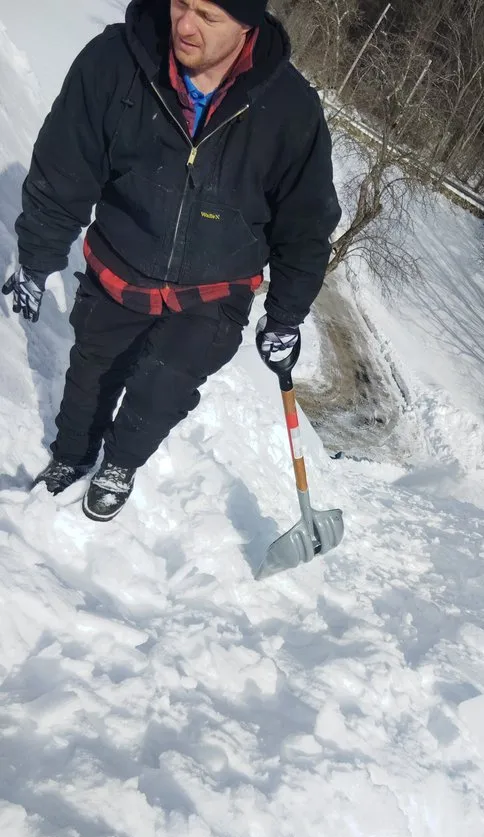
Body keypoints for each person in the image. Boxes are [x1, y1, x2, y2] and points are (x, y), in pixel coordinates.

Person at [3, 0, 341, 521]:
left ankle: (120, 463)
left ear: (248, 23)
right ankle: (72, 456)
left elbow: (305, 224)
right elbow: (66, 165)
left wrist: (287, 315)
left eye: (208, 16)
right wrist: (36, 257)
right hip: (120, 263)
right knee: (91, 376)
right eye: (181, 3)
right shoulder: (116, 62)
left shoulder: (290, 109)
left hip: (214, 290)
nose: (184, 25)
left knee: (161, 389)